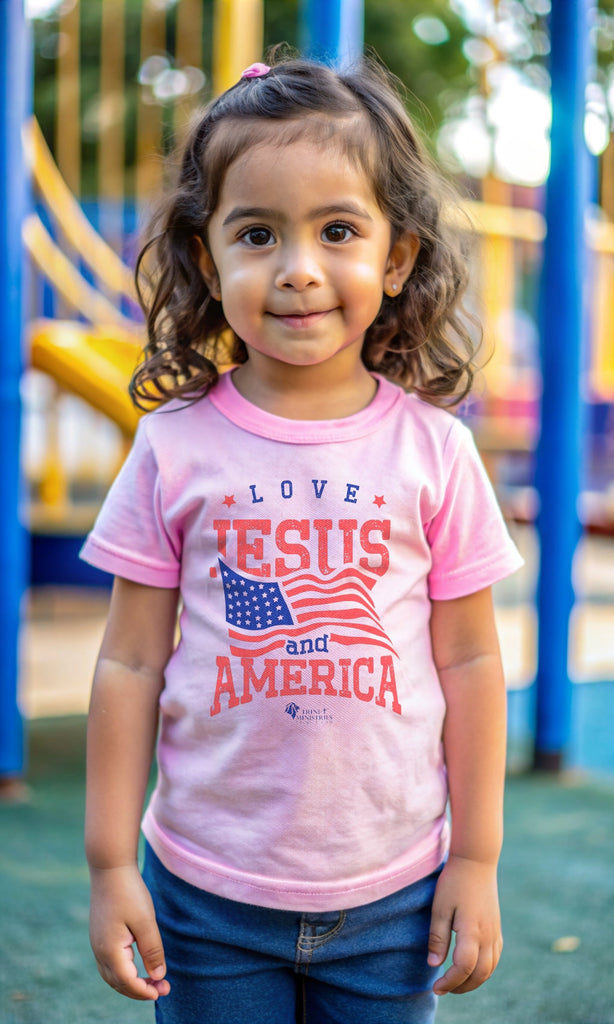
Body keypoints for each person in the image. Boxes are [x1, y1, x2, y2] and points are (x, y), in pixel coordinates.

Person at [82, 54, 523, 1024]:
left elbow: (470, 661)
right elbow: (125, 662)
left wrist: (476, 856)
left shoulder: (434, 452)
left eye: (336, 231)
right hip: (203, 897)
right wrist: (112, 863)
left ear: (395, 257)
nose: (297, 268)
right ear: (206, 257)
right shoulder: (170, 449)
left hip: (392, 898)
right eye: (256, 232)